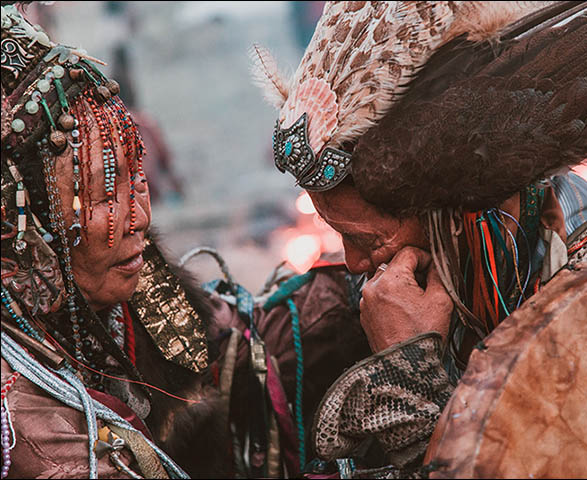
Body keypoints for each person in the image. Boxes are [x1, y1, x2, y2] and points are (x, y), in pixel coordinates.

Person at [251, 1, 587, 476]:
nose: (352, 262)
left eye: (364, 239)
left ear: (448, 211)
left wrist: (410, 374)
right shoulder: (406, 290)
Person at [1, 3, 369, 478]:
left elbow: (238, 345)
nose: (138, 217)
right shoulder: (21, 416)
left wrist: (360, 290)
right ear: (23, 225)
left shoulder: (131, 289)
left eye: (135, 182)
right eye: (102, 193)